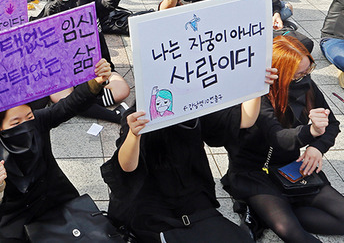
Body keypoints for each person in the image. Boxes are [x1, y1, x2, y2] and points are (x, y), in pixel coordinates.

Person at [102, 69, 277, 242]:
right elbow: (127, 166)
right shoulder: (139, 115)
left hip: (193, 196)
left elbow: (245, 119)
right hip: (151, 205)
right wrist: (134, 135)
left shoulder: (194, 107)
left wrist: (257, 87)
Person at [222, 36, 344, 242]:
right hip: (253, 171)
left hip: (290, 167)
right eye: (299, 75)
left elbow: (332, 124)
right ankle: (272, 210)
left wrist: (317, 148)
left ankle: (266, 213)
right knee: (293, 233)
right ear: (279, 73)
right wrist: (311, 131)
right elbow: (279, 137)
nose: (306, 78)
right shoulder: (257, 94)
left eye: (308, 71)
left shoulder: (306, 86)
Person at [0, 59, 113, 241]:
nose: (25, 125)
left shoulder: (38, 122)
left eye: (29, 116)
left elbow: (67, 106)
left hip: (56, 201)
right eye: (16, 123)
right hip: (17, 220)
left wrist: (95, 83)